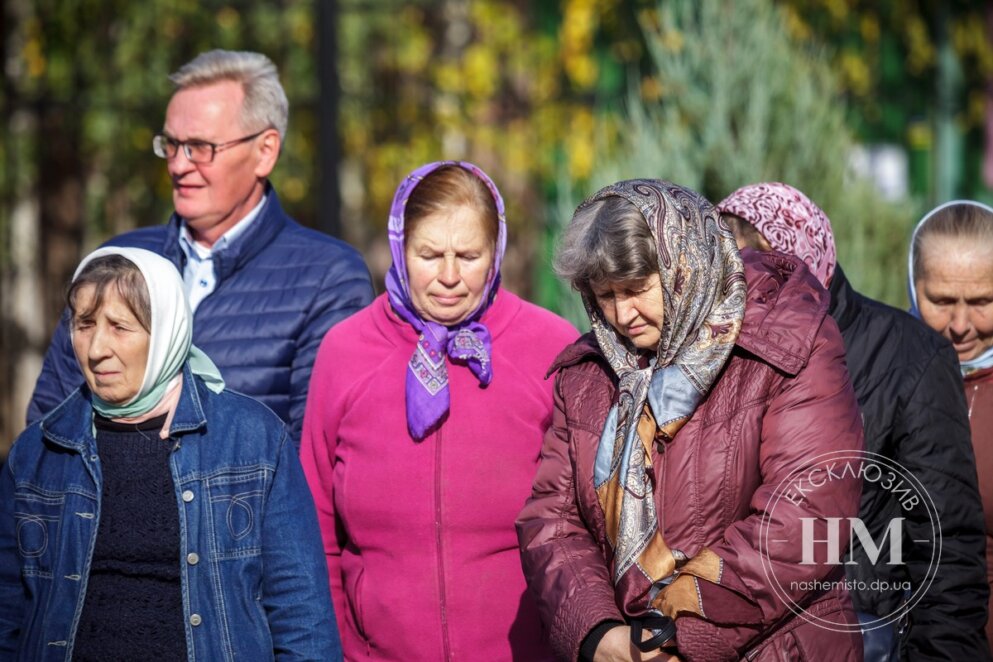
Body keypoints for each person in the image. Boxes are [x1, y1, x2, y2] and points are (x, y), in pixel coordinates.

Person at [517, 179, 865, 662]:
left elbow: (804, 519)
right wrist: (600, 634)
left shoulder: (789, 346)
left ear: (685, 266)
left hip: (776, 648)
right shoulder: (587, 376)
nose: (622, 315)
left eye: (637, 289)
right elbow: (554, 521)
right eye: (605, 296)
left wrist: (676, 631)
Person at [0, 247, 340, 661]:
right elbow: (8, 614)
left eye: (120, 327)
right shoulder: (37, 453)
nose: (96, 349)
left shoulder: (253, 440)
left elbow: (302, 617)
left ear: (166, 332)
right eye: (85, 325)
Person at [300, 161, 578, 660]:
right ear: (399, 248)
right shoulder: (345, 352)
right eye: (429, 255)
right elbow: (315, 528)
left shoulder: (551, 348)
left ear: (496, 252)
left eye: (468, 255)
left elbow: (586, 520)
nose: (449, 277)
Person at [27, 49, 374, 447]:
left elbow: (315, 454)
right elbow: (48, 425)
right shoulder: (117, 261)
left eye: (200, 147)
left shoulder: (328, 277)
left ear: (265, 151)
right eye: (171, 145)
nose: (177, 164)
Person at [719, 184, 990, 661]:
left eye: (762, 271)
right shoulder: (713, 354)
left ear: (800, 260)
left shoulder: (908, 356)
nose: (744, 291)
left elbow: (945, 545)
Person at [909, 200, 993, 654]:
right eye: (941, 301)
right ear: (911, 284)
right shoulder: (883, 379)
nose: (960, 326)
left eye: (982, 303)